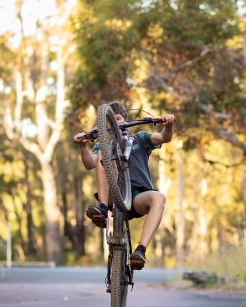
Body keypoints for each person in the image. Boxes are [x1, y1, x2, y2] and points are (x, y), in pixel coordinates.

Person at [74, 102, 176, 269]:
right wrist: (83, 146)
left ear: (126, 120)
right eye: (108, 123)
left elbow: (165, 137)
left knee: (159, 197)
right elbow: (89, 163)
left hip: (136, 197)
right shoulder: (103, 146)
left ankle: (140, 250)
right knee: (101, 153)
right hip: (112, 196)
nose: (114, 124)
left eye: (118, 119)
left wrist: (169, 124)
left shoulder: (140, 138)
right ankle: (101, 208)